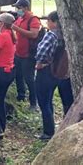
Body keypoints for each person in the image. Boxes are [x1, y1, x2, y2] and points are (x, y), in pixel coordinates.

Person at [35, 11, 66, 140]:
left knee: (43, 102)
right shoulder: (64, 35)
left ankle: (48, 132)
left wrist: (39, 62)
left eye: (48, 21)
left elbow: (42, 51)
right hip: (57, 71)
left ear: (54, 22)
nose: (47, 23)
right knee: (49, 100)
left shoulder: (51, 35)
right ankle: (51, 126)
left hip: (46, 70)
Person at [12, 0, 41, 110]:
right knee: (18, 75)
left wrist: (17, 29)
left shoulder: (33, 19)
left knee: (29, 78)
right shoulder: (20, 18)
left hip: (28, 54)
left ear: (25, 8)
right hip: (18, 53)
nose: (17, 9)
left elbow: (34, 34)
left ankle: (34, 102)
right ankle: (21, 96)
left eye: (19, 7)